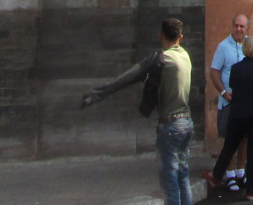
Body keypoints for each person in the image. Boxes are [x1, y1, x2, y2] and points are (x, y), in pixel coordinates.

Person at [81, 17, 194, 205]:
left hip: (171, 125)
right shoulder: (185, 56)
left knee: (170, 180)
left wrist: (96, 94)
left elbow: (127, 78)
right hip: (187, 124)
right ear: (180, 38)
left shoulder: (161, 58)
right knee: (183, 176)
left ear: (161, 36)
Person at [204, 35, 253, 201]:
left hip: (238, 113)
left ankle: (216, 175)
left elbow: (233, 84)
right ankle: (252, 189)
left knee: (230, 145)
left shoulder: (236, 69)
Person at [211, 13, 253, 192]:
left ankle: (241, 171)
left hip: (246, 102)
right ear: (232, 26)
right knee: (229, 140)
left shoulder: (252, 45)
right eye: (236, 26)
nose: (239, 29)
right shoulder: (223, 47)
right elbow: (214, 71)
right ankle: (230, 174)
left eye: (242, 26)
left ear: (247, 28)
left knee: (244, 139)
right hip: (229, 101)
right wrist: (224, 92)